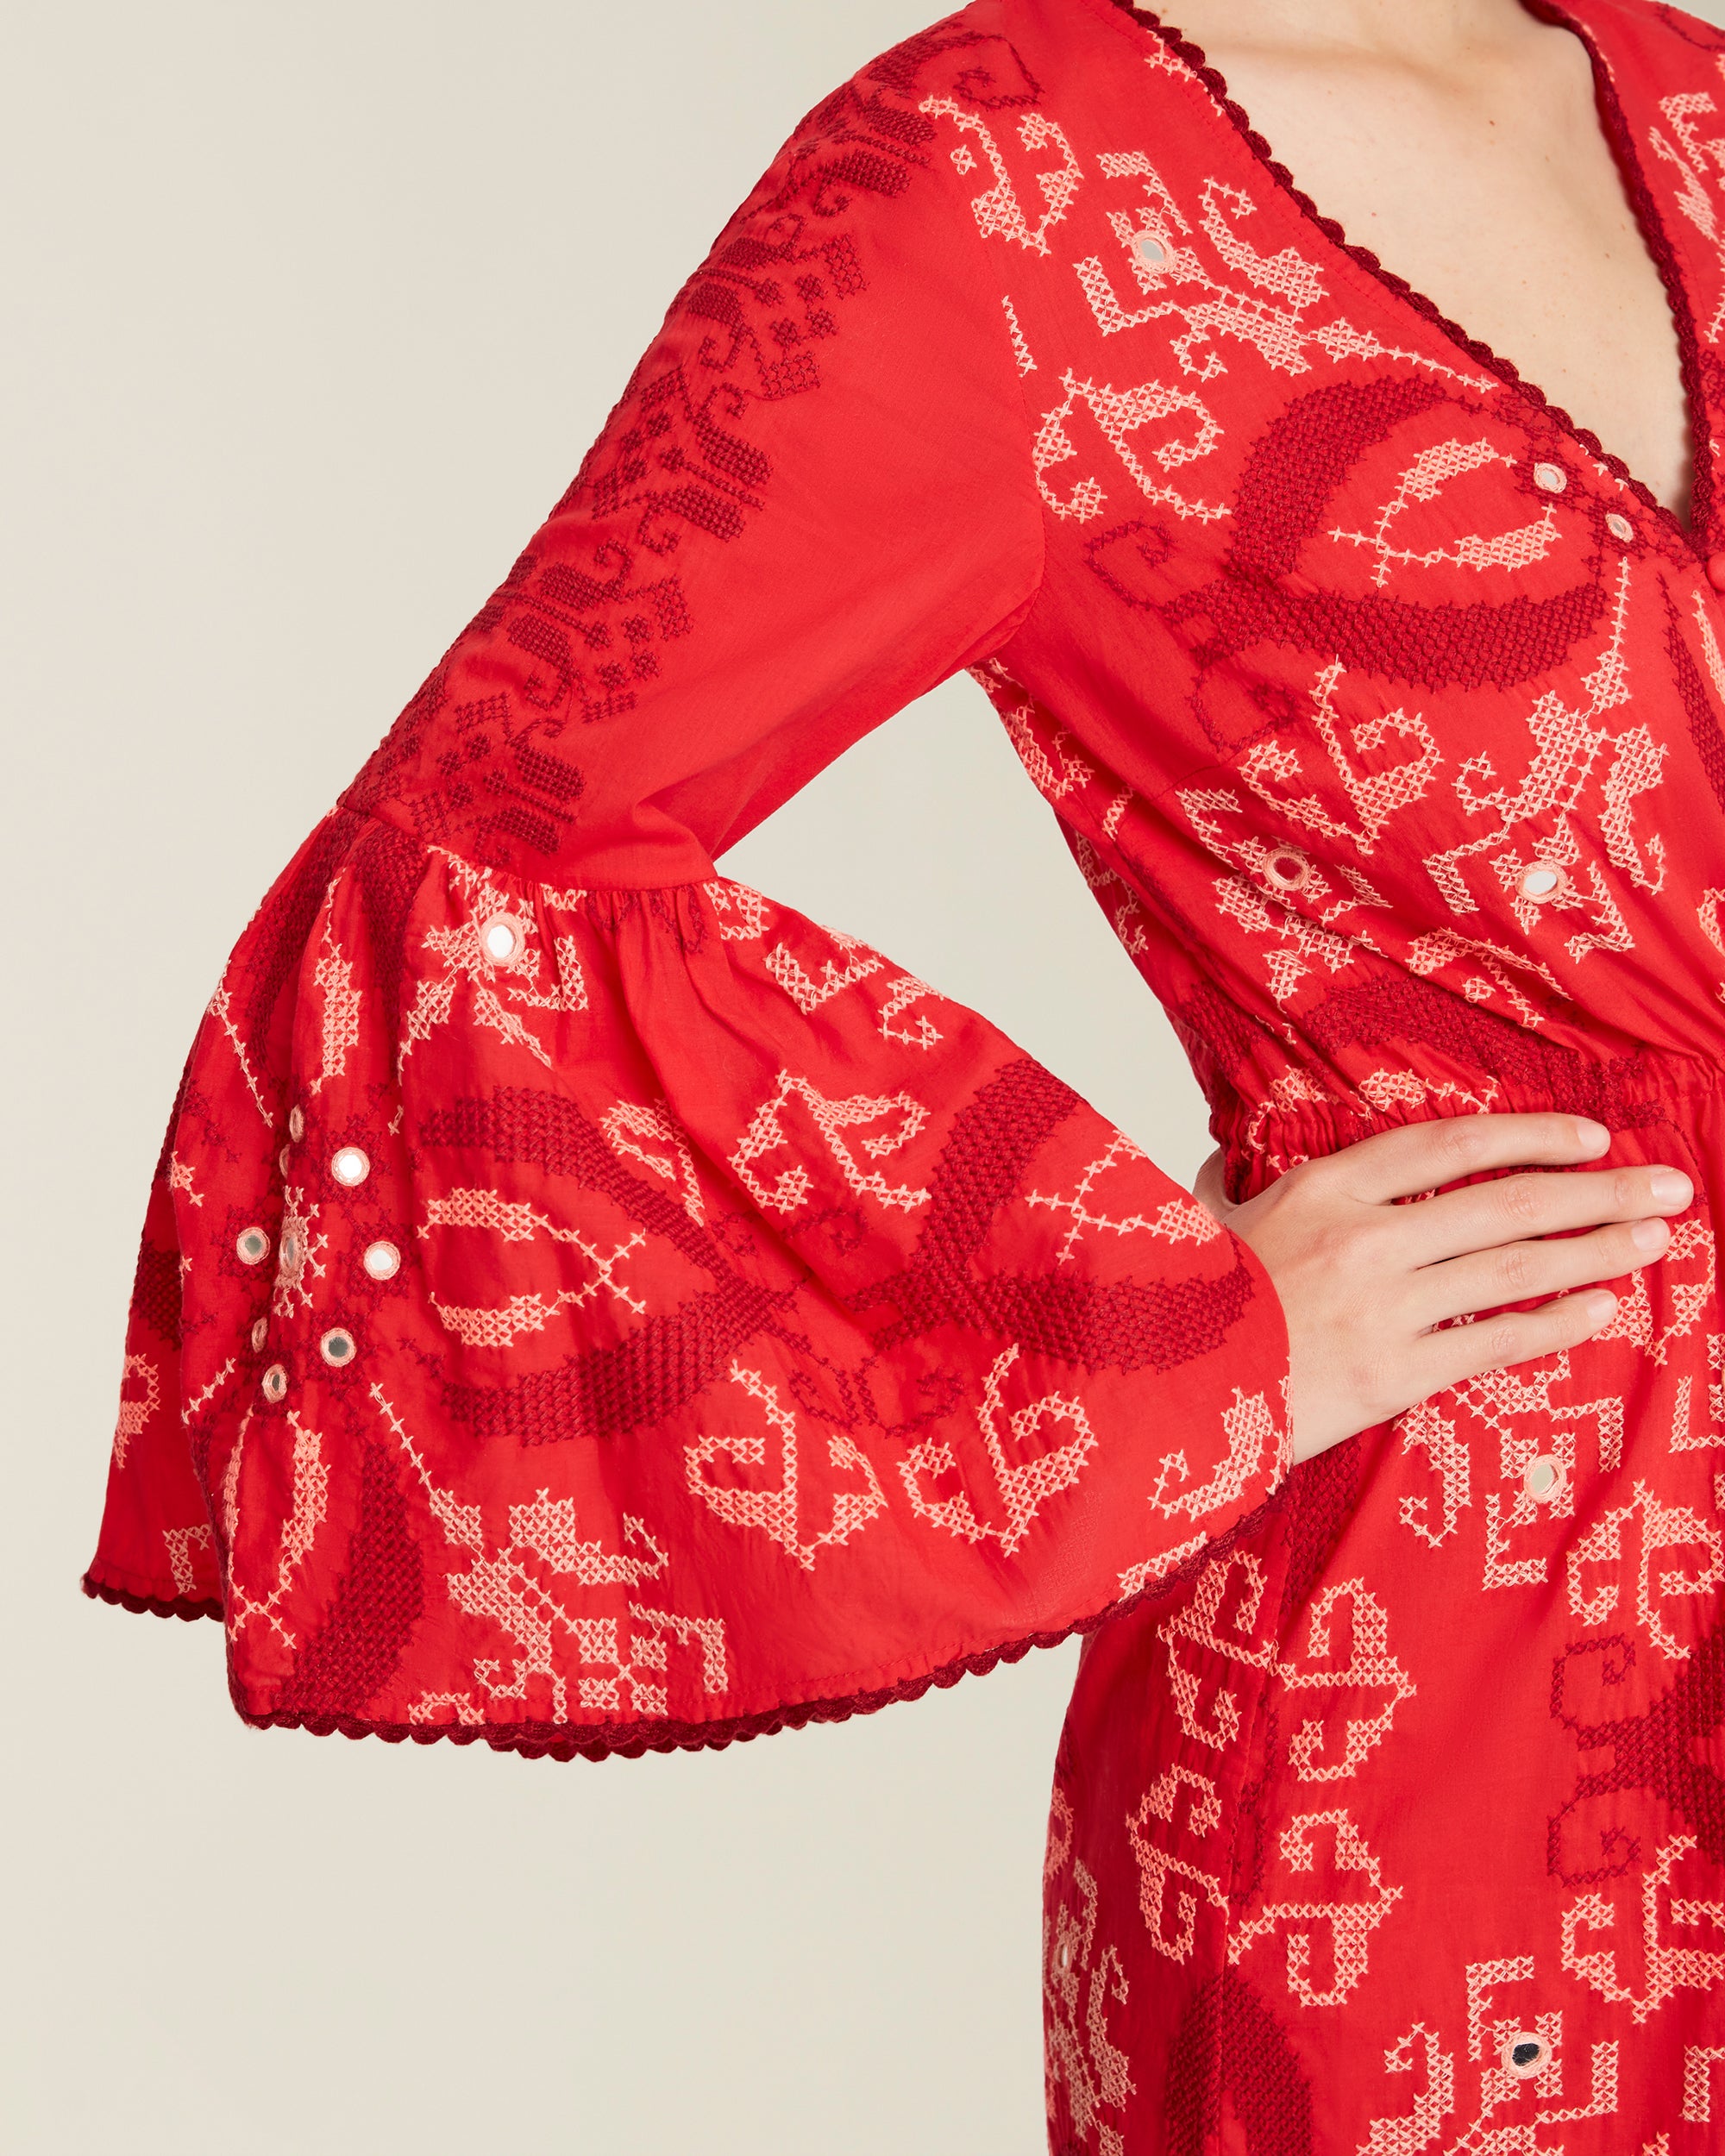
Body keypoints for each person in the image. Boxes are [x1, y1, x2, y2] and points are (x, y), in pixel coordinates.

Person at [82, 0, 1725, 2144]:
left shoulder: (1700, 103)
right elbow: (478, 857)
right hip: (1460, 1654)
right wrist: (1149, 1339)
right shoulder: (1004, 181)